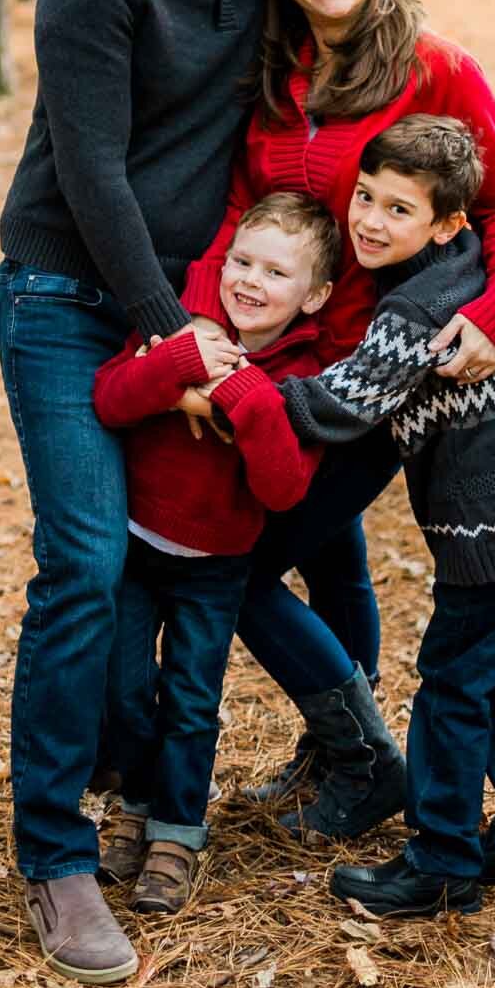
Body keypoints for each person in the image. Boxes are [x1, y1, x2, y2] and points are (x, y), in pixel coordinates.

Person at [0, 0, 283, 984]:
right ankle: (54, 855)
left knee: (202, 550)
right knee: (85, 560)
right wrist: (176, 336)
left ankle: (332, 746)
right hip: (67, 297)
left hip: (194, 307)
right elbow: (95, 172)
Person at [179, 0, 495, 842]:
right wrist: (200, 330)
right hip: (282, 358)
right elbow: (237, 212)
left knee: (239, 568)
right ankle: (332, 742)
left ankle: (362, 755)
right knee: (332, 556)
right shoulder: (272, 77)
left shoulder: (436, 69)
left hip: (374, 377)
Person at [227, 116, 495, 915]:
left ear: (447, 222)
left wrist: (232, 388)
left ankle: (440, 860)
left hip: (493, 533)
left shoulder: (412, 312)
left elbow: (338, 403)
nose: (367, 220)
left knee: (454, 689)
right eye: (365, 197)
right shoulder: (469, 265)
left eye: (398, 210)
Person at [92, 194, 338, 917]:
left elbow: (284, 488)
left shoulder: (304, 376)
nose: (250, 281)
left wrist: (247, 397)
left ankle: (176, 833)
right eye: (241, 261)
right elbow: (110, 400)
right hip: (136, 547)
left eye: (275, 272)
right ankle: (132, 807)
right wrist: (176, 368)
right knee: (128, 686)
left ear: (315, 295)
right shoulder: (177, 331)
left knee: (193, 700)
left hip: (216, 564)